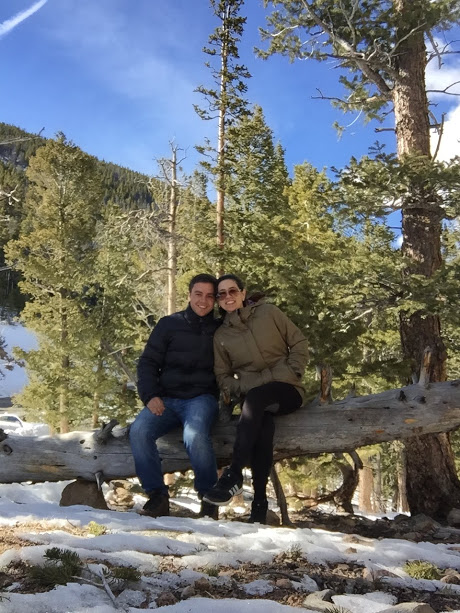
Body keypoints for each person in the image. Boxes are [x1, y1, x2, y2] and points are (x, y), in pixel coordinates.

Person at [203, 274, 308, 524]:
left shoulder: (269, 313)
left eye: (232, 291)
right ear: (218, 300)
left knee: (256, 400)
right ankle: (259, 505)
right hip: (254, 399)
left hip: (287, 389)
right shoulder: (221, 336)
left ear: (242, 293)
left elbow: (299, 342)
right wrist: (244, 387)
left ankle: (234, 473)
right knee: (263, 425)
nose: (228, 297)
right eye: (221, 294)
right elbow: (223, 377)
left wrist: (293, 370)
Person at [129, 273, 221, 519]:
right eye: (198, 294)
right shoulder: (169, 324)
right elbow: (148, 362)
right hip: (166, 399)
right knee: (139, 431)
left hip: (201, 398)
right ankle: (157, 496)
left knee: (194, 434)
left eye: (209, 296)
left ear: (215, 300)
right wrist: (150, 396)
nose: (203, 301)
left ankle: (209, 499)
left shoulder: (221, 329)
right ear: (189, 295)